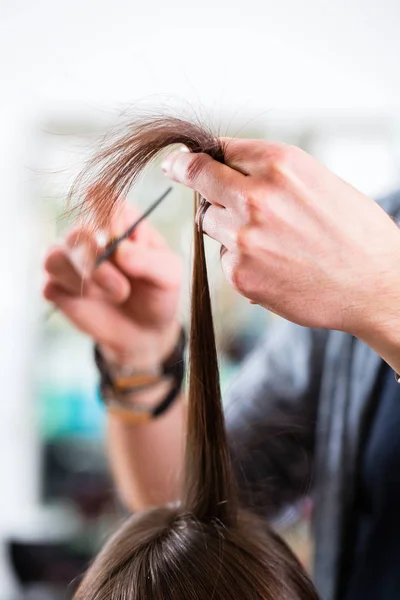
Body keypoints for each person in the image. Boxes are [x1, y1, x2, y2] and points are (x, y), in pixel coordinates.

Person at [44, 137, 400, 600]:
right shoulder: (360, 241)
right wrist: (141, 359)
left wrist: (385, 294)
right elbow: (193, 512)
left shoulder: (363, 258)